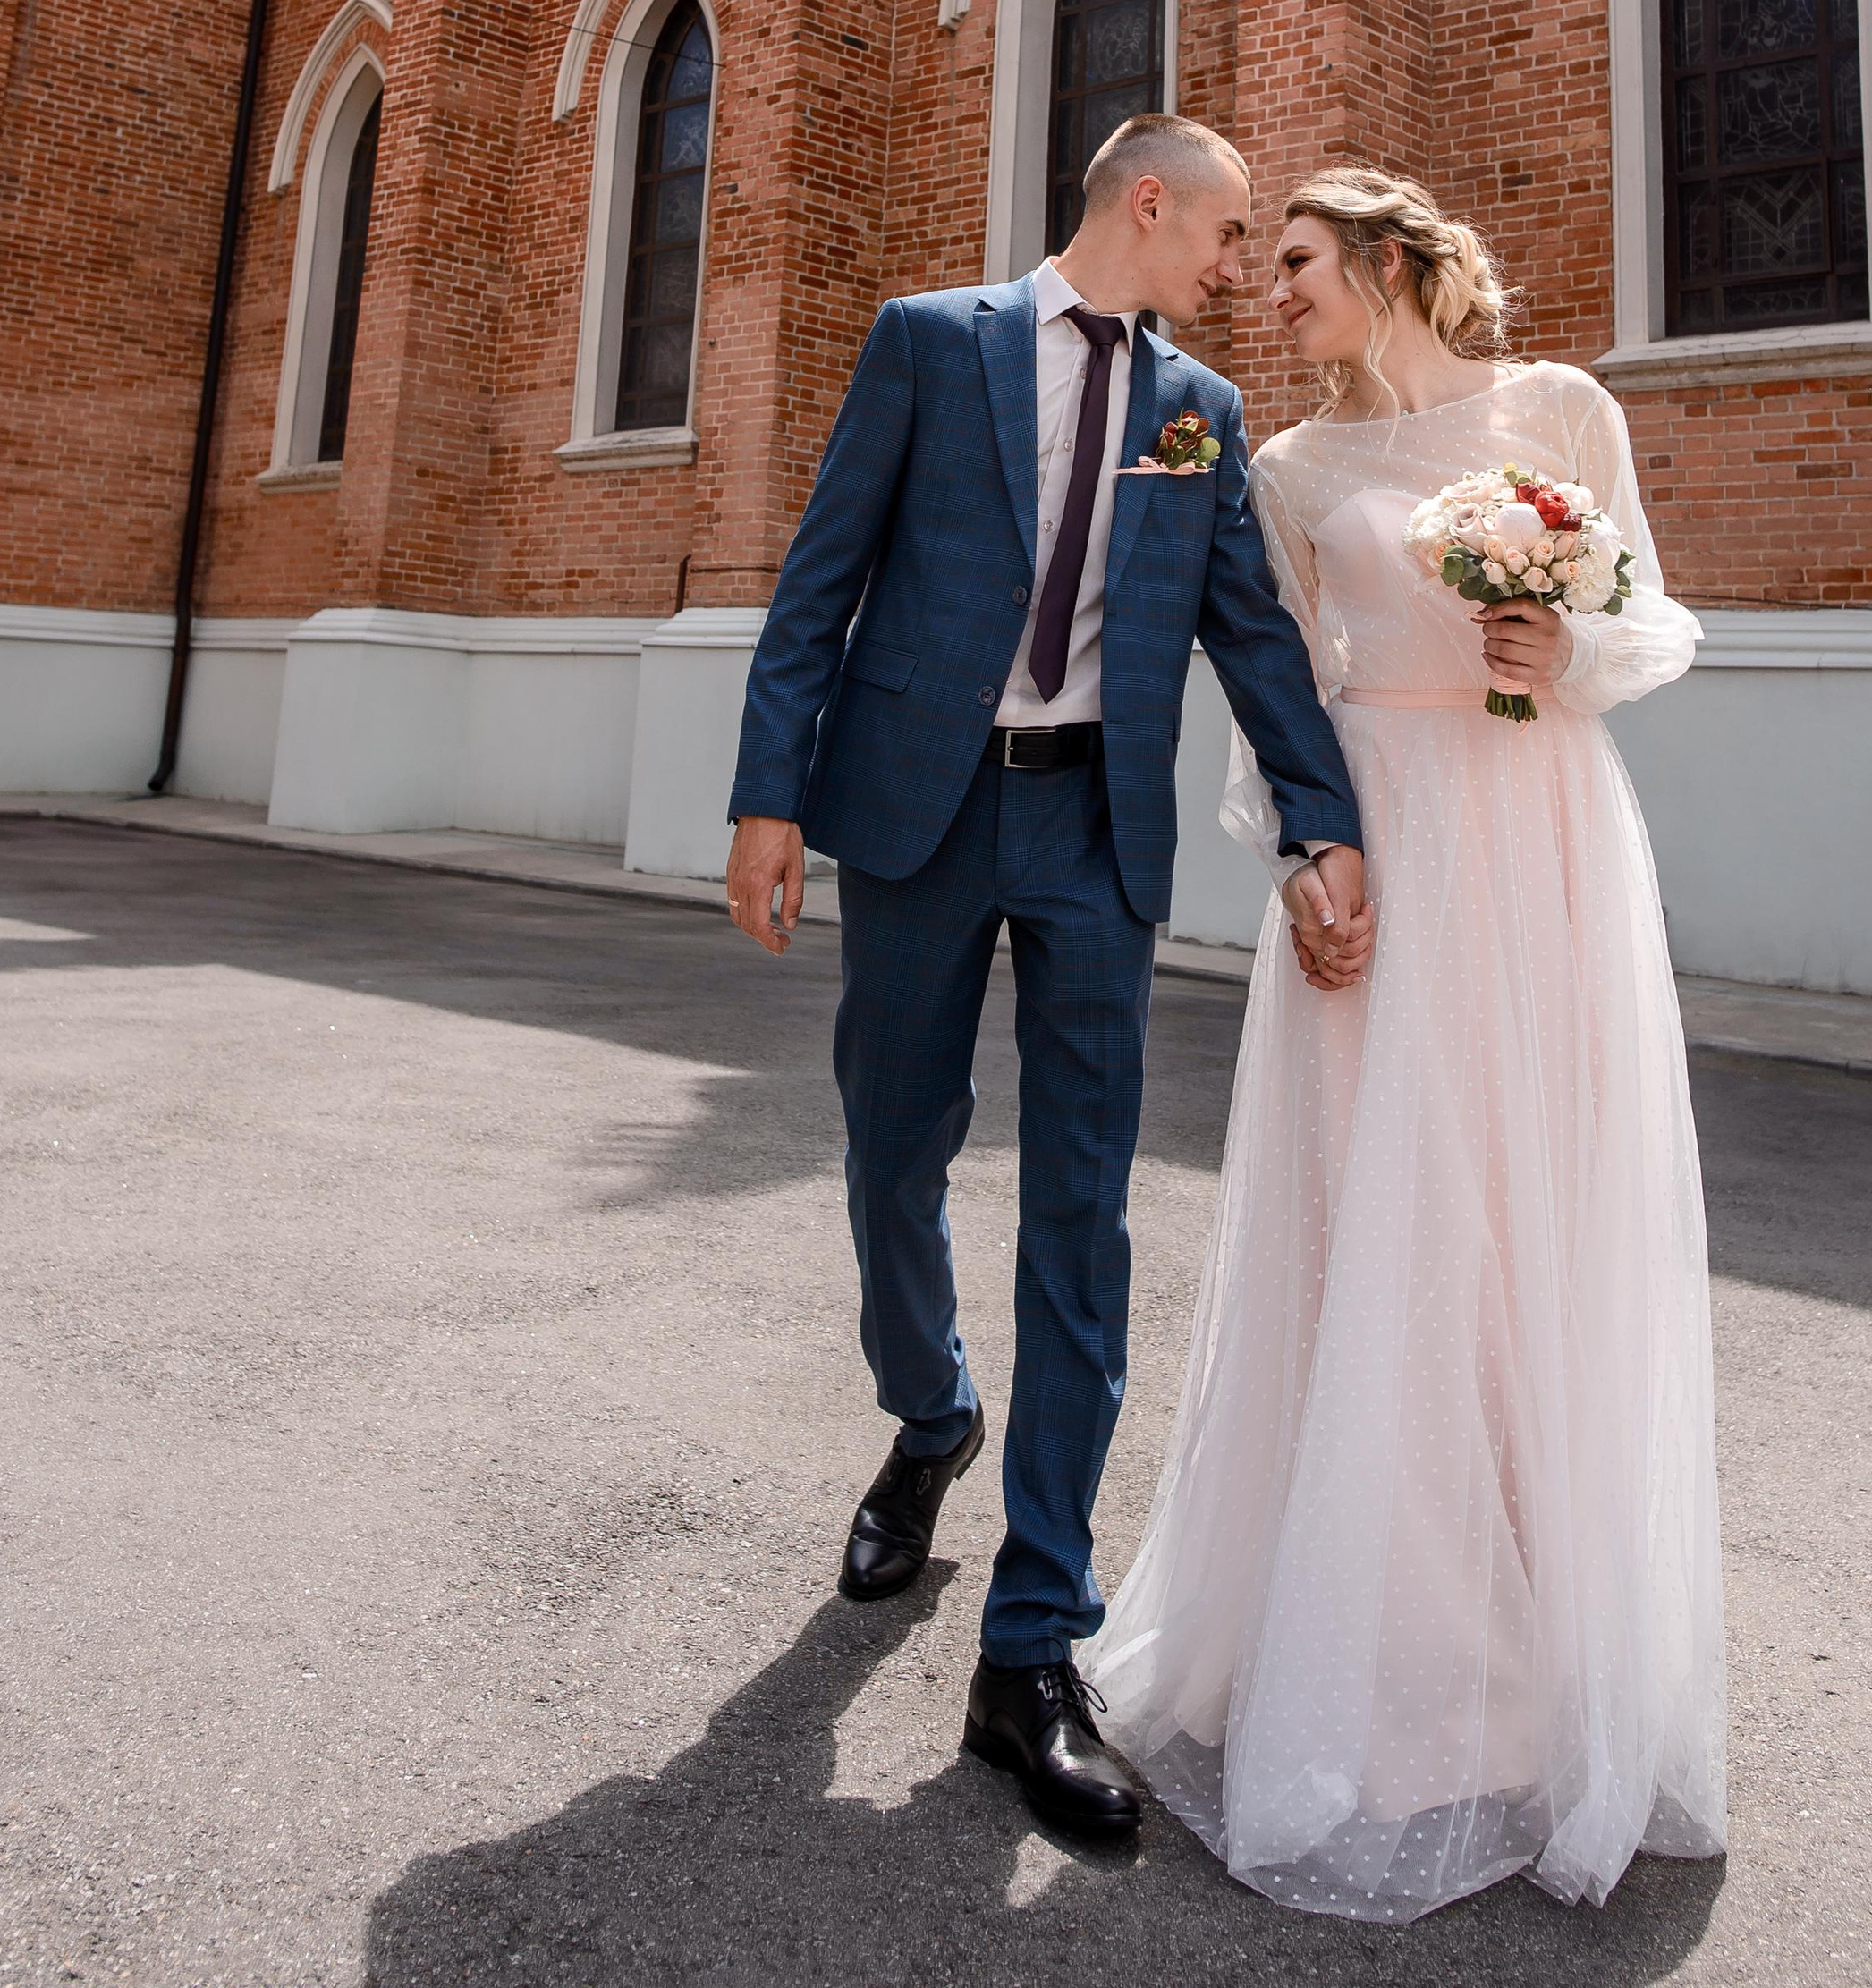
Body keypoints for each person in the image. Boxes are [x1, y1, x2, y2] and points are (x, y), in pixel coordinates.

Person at [1088, 166, 1728, 1919]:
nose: (1266, 296)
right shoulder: (1285, 472)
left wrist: (1563, 644)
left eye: (1290, 266)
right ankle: (1383, 1648)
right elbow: (1277, 684)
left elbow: (1653, 622)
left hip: (1537, 840)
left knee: (1529, 1205)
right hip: (1378, 836)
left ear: (1381, 263)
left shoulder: (1561, 410)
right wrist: (1304, 850)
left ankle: (1537, 1636)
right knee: (1377, 1218)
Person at [724, 115, 1364, 1842]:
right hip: (919, 818)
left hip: (1094, 838)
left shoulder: (1196, 409)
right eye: (1227, 232)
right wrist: (767, 791)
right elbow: (824, 577)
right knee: (889, 1151)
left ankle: (1031, 1647)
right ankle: (928, 1411)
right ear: (1146, 205)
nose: (1237, 266)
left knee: (1082, 1213)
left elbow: (1250, 631)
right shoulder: (932, 339)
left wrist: (1324, 821)